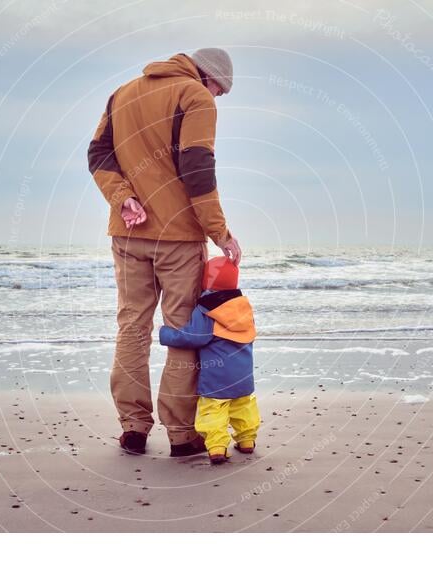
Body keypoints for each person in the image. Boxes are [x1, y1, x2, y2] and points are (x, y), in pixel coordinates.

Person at [87, 48, 242, 457]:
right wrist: (220, 232)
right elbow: (196, 167)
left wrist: (123, 199)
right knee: (183, 331)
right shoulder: (195, 96)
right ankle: (180, 433)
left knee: (132, 326)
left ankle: (133, 428)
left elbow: (98, 154)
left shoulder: (123, 93)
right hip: (177, 236)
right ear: (209, 79)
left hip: (128, 232)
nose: (217, 99)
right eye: (220, 91)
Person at [159, 257, 260, 464]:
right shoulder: (243, 307)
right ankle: (247, 440)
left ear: (205, 280)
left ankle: (216, 447)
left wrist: (166, 334)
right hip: (244, 374)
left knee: (213, 409)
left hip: (217, 376)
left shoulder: (207, 308)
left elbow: (194, 337)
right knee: (244, 406)